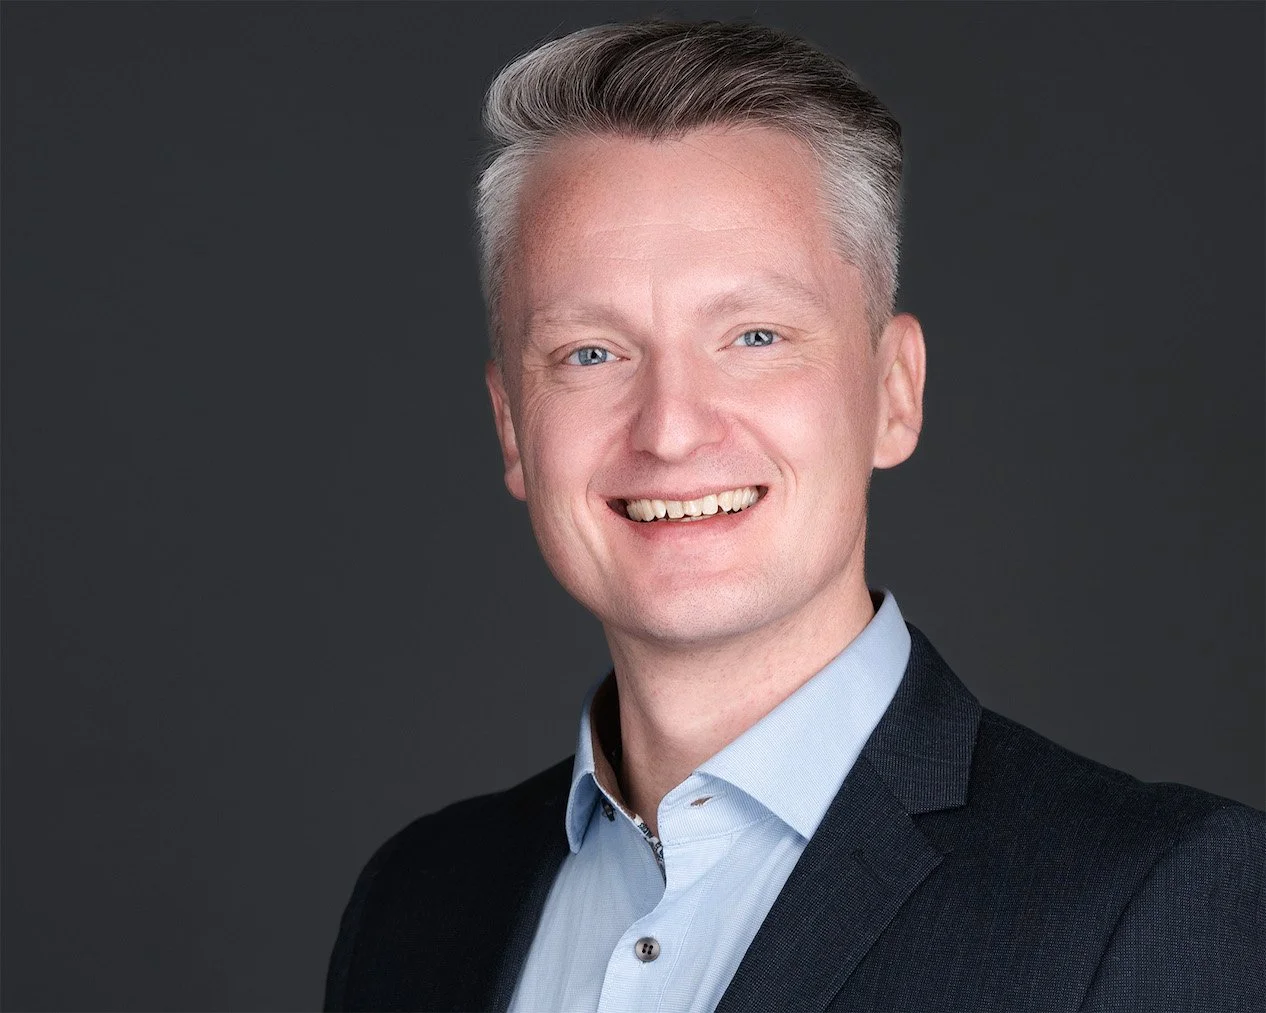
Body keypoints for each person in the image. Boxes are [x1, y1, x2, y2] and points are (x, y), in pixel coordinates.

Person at [324, 20, 1263, 1012]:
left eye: (755, 335)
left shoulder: (1151, 899)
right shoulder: (416, 903)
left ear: (895, 390)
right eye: (591, 352)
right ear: (512, 425)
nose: (672, 429)